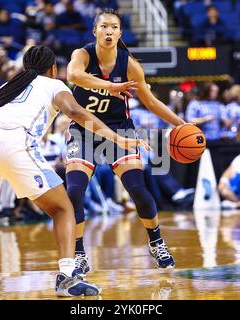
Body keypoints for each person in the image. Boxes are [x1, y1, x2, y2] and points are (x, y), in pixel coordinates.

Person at [0, 45, 147, 296]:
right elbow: (74, 111)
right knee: (63, 208)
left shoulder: (4, 89)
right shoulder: (54, 85)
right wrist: (117, 138)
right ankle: (68, 277)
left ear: (25, 67)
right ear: (53, 69)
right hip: (14, 143)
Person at [66, 8, 186, 278]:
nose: (109, 31)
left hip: (120, 128)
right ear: (95, 31)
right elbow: (73, 76)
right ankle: (78, 253)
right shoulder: (82, 55)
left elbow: (152, 102)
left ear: (120, 33)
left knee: (137, 188)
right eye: (104, 26)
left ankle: (156, 241)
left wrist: (181, 124)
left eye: (114, 27)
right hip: (84, 129)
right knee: (75, 190)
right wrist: (111, 87)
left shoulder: (129, 64)